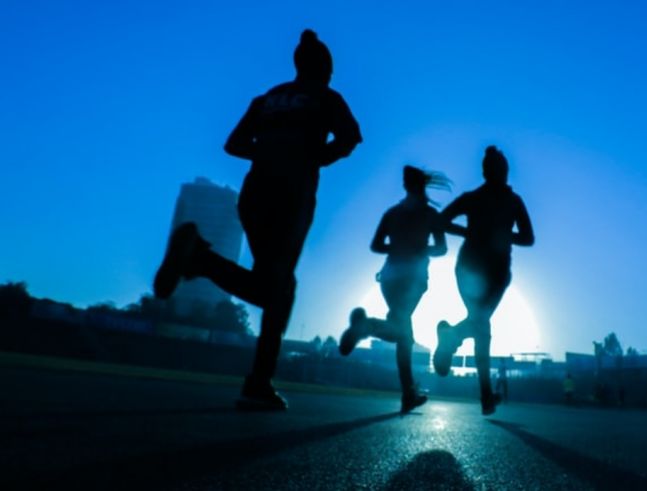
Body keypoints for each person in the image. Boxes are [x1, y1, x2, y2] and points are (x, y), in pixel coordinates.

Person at [153, 29, 362, 410]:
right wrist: (313, 156)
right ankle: (201, 262)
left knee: (277, 286)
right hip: (292, 194)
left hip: (255, 193)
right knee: (277, 289)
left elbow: (232, 144)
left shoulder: (267, 98)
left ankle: (258, 379)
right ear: (326, 68)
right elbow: (351, 138)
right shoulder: (326, 97)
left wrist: (267, 152)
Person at [432, 146, 535, 415]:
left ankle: (451, 337)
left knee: (480, 325)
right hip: (482, 271)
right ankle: (485, 395)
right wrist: (483, 234)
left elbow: (528, 237)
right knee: (481, 326)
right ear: (496, 172)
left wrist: (479, 233)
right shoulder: (505, 201)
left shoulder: (485, 199)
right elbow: (527, 238)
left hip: (489, 273)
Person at [339, 166, 449, 413]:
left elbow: (376, 245)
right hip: (413, 279)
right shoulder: (431, 215)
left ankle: (408, 393)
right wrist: (420, 250)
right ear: (423, 186)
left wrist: (398, 248)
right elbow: (442, 249)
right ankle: (367, 327)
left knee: (404, 335)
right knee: (404, 334)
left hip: (389, 277)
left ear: (405, 186)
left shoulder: (392, 213)